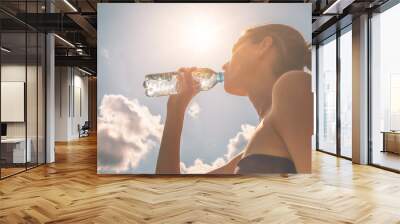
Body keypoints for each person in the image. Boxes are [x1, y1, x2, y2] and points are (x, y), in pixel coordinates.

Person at [156, 24, 313, 174]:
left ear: (264, 46)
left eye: (234, 50)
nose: (224, 65)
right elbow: (171, 192)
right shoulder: (249, 154)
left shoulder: (293, 84)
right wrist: (175, 110)